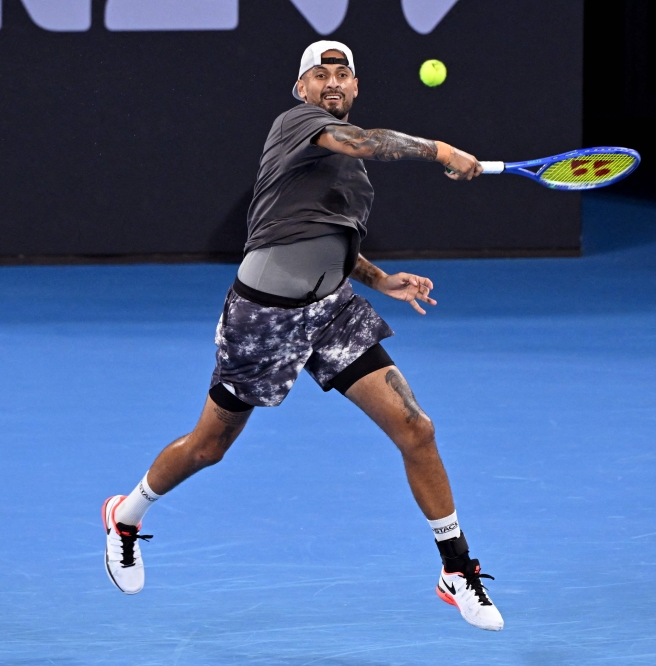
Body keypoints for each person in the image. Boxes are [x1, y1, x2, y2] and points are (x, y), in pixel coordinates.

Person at [102, 40, 502, 631]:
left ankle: (455, 569)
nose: (332, 82)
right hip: (263, 315)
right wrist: (441, 148)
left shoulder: (354, 179)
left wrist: (379, 278)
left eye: (343, 74)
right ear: (302, 89)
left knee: (417, 428)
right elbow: (364, 140)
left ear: (357, 87)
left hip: (332, 311)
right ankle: (126, 516)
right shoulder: (297, 125)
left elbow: (329, 237)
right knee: (208, 448)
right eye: (321, 75)